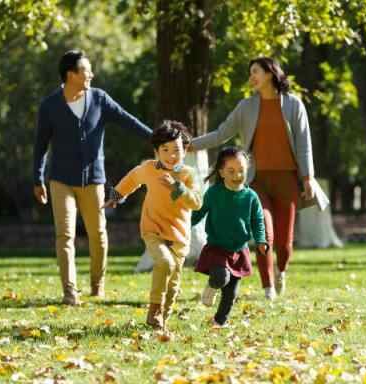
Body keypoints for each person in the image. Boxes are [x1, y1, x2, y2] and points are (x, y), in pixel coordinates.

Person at [190, 57, 328, 300]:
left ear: (270, 73)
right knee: (264, 233)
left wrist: (307, 178)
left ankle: (281, 270)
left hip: (287, 181)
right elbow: (222, 133)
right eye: (250, 72)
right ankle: (268, 288)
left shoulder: (294, 105)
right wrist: (191, 145)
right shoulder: (246, 107)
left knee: (284, 245)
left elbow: (305, 146)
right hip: (256, 182)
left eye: (255, 71)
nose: (251, 77)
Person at [33, 50, 152, 305]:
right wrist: (37, 178)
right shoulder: (50, 106)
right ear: (71, 74)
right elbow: (40, 145)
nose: (91, 74)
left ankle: (97, 285)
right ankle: (69, 292)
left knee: (98, 233)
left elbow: (127, 120)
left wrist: (157, 138)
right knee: (64, 235)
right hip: (60, 180)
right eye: (86, 70)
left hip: (93, 180)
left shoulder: (99, 99)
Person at [104, 121, 202, 331]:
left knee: (174, 284)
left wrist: (178, 187)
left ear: (185, 150)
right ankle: (154, 310)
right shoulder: (149, 168)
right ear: (156, 151)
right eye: (164, 150)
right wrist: (116, 196)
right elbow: (132, 179)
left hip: (179, 236)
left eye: (176, 150)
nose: (171, 155)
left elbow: (196, 202)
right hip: (153, 229)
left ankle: (161, 321)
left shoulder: (188, 174)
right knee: (165, 263)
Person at [192, 146, 268, 328]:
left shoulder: (251, 197)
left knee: (231, 293)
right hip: (217, 247)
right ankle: (212, 285)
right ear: (221, 172)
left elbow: (258, 220)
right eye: (231, 171)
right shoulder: (214, 193)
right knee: (220, 277)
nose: (237, 175)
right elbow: (199, 213)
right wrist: (182, 226)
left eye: (241, 170)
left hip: (239, 250)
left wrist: (261, 240)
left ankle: (219, 321)